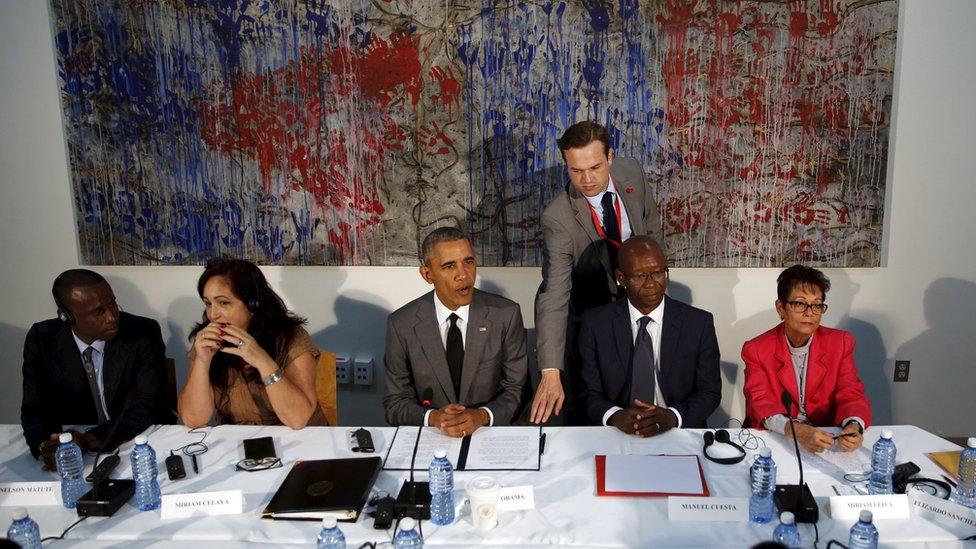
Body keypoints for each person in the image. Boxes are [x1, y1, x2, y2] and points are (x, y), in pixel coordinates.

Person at [532, 121, 666, 425]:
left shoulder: (631, 172)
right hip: (593, 316)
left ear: (610, 157)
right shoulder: (558, 218)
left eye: (594, 167)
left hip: (639, 306)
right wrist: (550, 372)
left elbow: (653, 228)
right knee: (596, 410)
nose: (587, 179)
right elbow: (554, 294)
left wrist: (658, 282)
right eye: (576, 170)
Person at [384, 227, 528, 436]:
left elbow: (518, 390)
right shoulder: (401, 324)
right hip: (432, 440)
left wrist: (481, 416)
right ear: (427, 274)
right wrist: (433, 418)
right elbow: (394, 403)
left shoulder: (506, 315)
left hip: (488, 436)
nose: (463, 275)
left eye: (468, 262)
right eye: (449, 266)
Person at [21, 269, 171, 468]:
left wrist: (90, 439)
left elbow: (149, 404)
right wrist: (48, 445)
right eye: (98, 311)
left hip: (133, 442)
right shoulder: (42, 339)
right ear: (67, 316)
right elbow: (35, 407)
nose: (111, 317)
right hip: (74, 449)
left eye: (113, 305)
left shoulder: (142, 332)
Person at [578, 236, 721, 435]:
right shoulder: (595, 323)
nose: (651, 284)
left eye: (658, 273)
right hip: (616, 431)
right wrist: (615, 416)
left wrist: (673, 417)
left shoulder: (698, 324)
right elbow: (587, 391)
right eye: (639, 276)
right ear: (621, 278)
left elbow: (710, 392)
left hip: (678, 430)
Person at [178, 258, 327, 428]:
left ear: (252, 304)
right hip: (237, 442)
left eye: (223, 303)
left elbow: (298, 420)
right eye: (208, 303)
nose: (213, 314)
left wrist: (262, 361)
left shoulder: (291, 337)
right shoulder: (206, 340)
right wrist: (202, 362)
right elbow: (193, 419)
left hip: (296, 439)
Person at [742, 265, 872, 453]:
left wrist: (853, 425)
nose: (809, 312)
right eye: (800, 304)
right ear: (781, 308)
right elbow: (760, 401)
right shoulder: (756, 349)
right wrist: (797, 431)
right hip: (776, 436)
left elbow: (851, 393)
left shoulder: (840, 343)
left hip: (826, 438)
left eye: (817, 304)